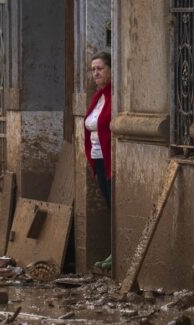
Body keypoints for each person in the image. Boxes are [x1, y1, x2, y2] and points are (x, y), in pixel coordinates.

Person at [84, 51, 113, 271]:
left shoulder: (113, 96)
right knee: (108, 204)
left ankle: (115, 252)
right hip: (97, 159)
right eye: (93, 69)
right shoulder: (98, 96)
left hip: (108, 159)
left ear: (111, 70)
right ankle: (113, 250)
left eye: (100, 68)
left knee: (113, 204)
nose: (96, 73)